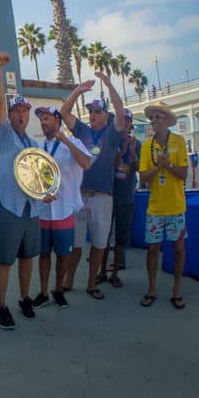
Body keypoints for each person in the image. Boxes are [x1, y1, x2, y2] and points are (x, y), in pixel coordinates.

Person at [58, 71, 125, 299]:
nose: (93, 114)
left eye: (97, 111)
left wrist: (107, 83)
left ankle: (91, 284)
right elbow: (64, 112)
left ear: (106, 115)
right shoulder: (83, 131)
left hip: (102, 197)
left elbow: (121, 110)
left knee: (98, 244)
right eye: (91, 111)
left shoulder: (113, 133)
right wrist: (77, 91)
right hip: (80, 195)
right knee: (75, 244)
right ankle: (68, 280)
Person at [0, 53, 40, 329]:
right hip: (8, 206)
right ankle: (1, 307)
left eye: (25, 111)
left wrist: (48, 192)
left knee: (27, 256)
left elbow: (44, 177)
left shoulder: (34, 143)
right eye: (16, 111)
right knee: (6, 260)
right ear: (9, 116)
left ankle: (24, 298)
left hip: (31, 207)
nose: (21, 114)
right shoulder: (3, 136)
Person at [31, 107, 93, 310]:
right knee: (44, 253)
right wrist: (41, 194)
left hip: (65, 208)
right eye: (41, 119)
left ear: (58, 120)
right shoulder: (39, 146)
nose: (43, 122)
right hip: (44, 209)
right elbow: (34, 177)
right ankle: (42, 292)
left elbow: (86, 163)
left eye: (46, 118)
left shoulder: (73, 143)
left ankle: (58, 289)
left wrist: (65, 140)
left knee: (63, 254)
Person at [138, 101, 189, 309]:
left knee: (178, 249)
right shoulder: (146, 146)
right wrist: (158, 167)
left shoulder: (178, 142)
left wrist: (168, 165)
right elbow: (142, 178)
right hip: (155, 208)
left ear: (167, 120)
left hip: (176, 207)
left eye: (159, 116)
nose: (154, 120)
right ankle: (151, 289)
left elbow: (184, 175)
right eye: (153, 117)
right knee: (152, 249)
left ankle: (176, 291)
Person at [99, 109, 140, 288]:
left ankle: (115, 274)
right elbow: (110, 165)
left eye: (128, 121)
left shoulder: (137, 144)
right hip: (109, 197)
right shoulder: (110, 141)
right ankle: (102, 271)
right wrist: (122, 150)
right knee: (104, 238)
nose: (125, 124)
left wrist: (132, 156)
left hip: (127, 198)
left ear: (131, 123)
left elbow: (139, 169)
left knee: (121, 239)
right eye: (122, 120)